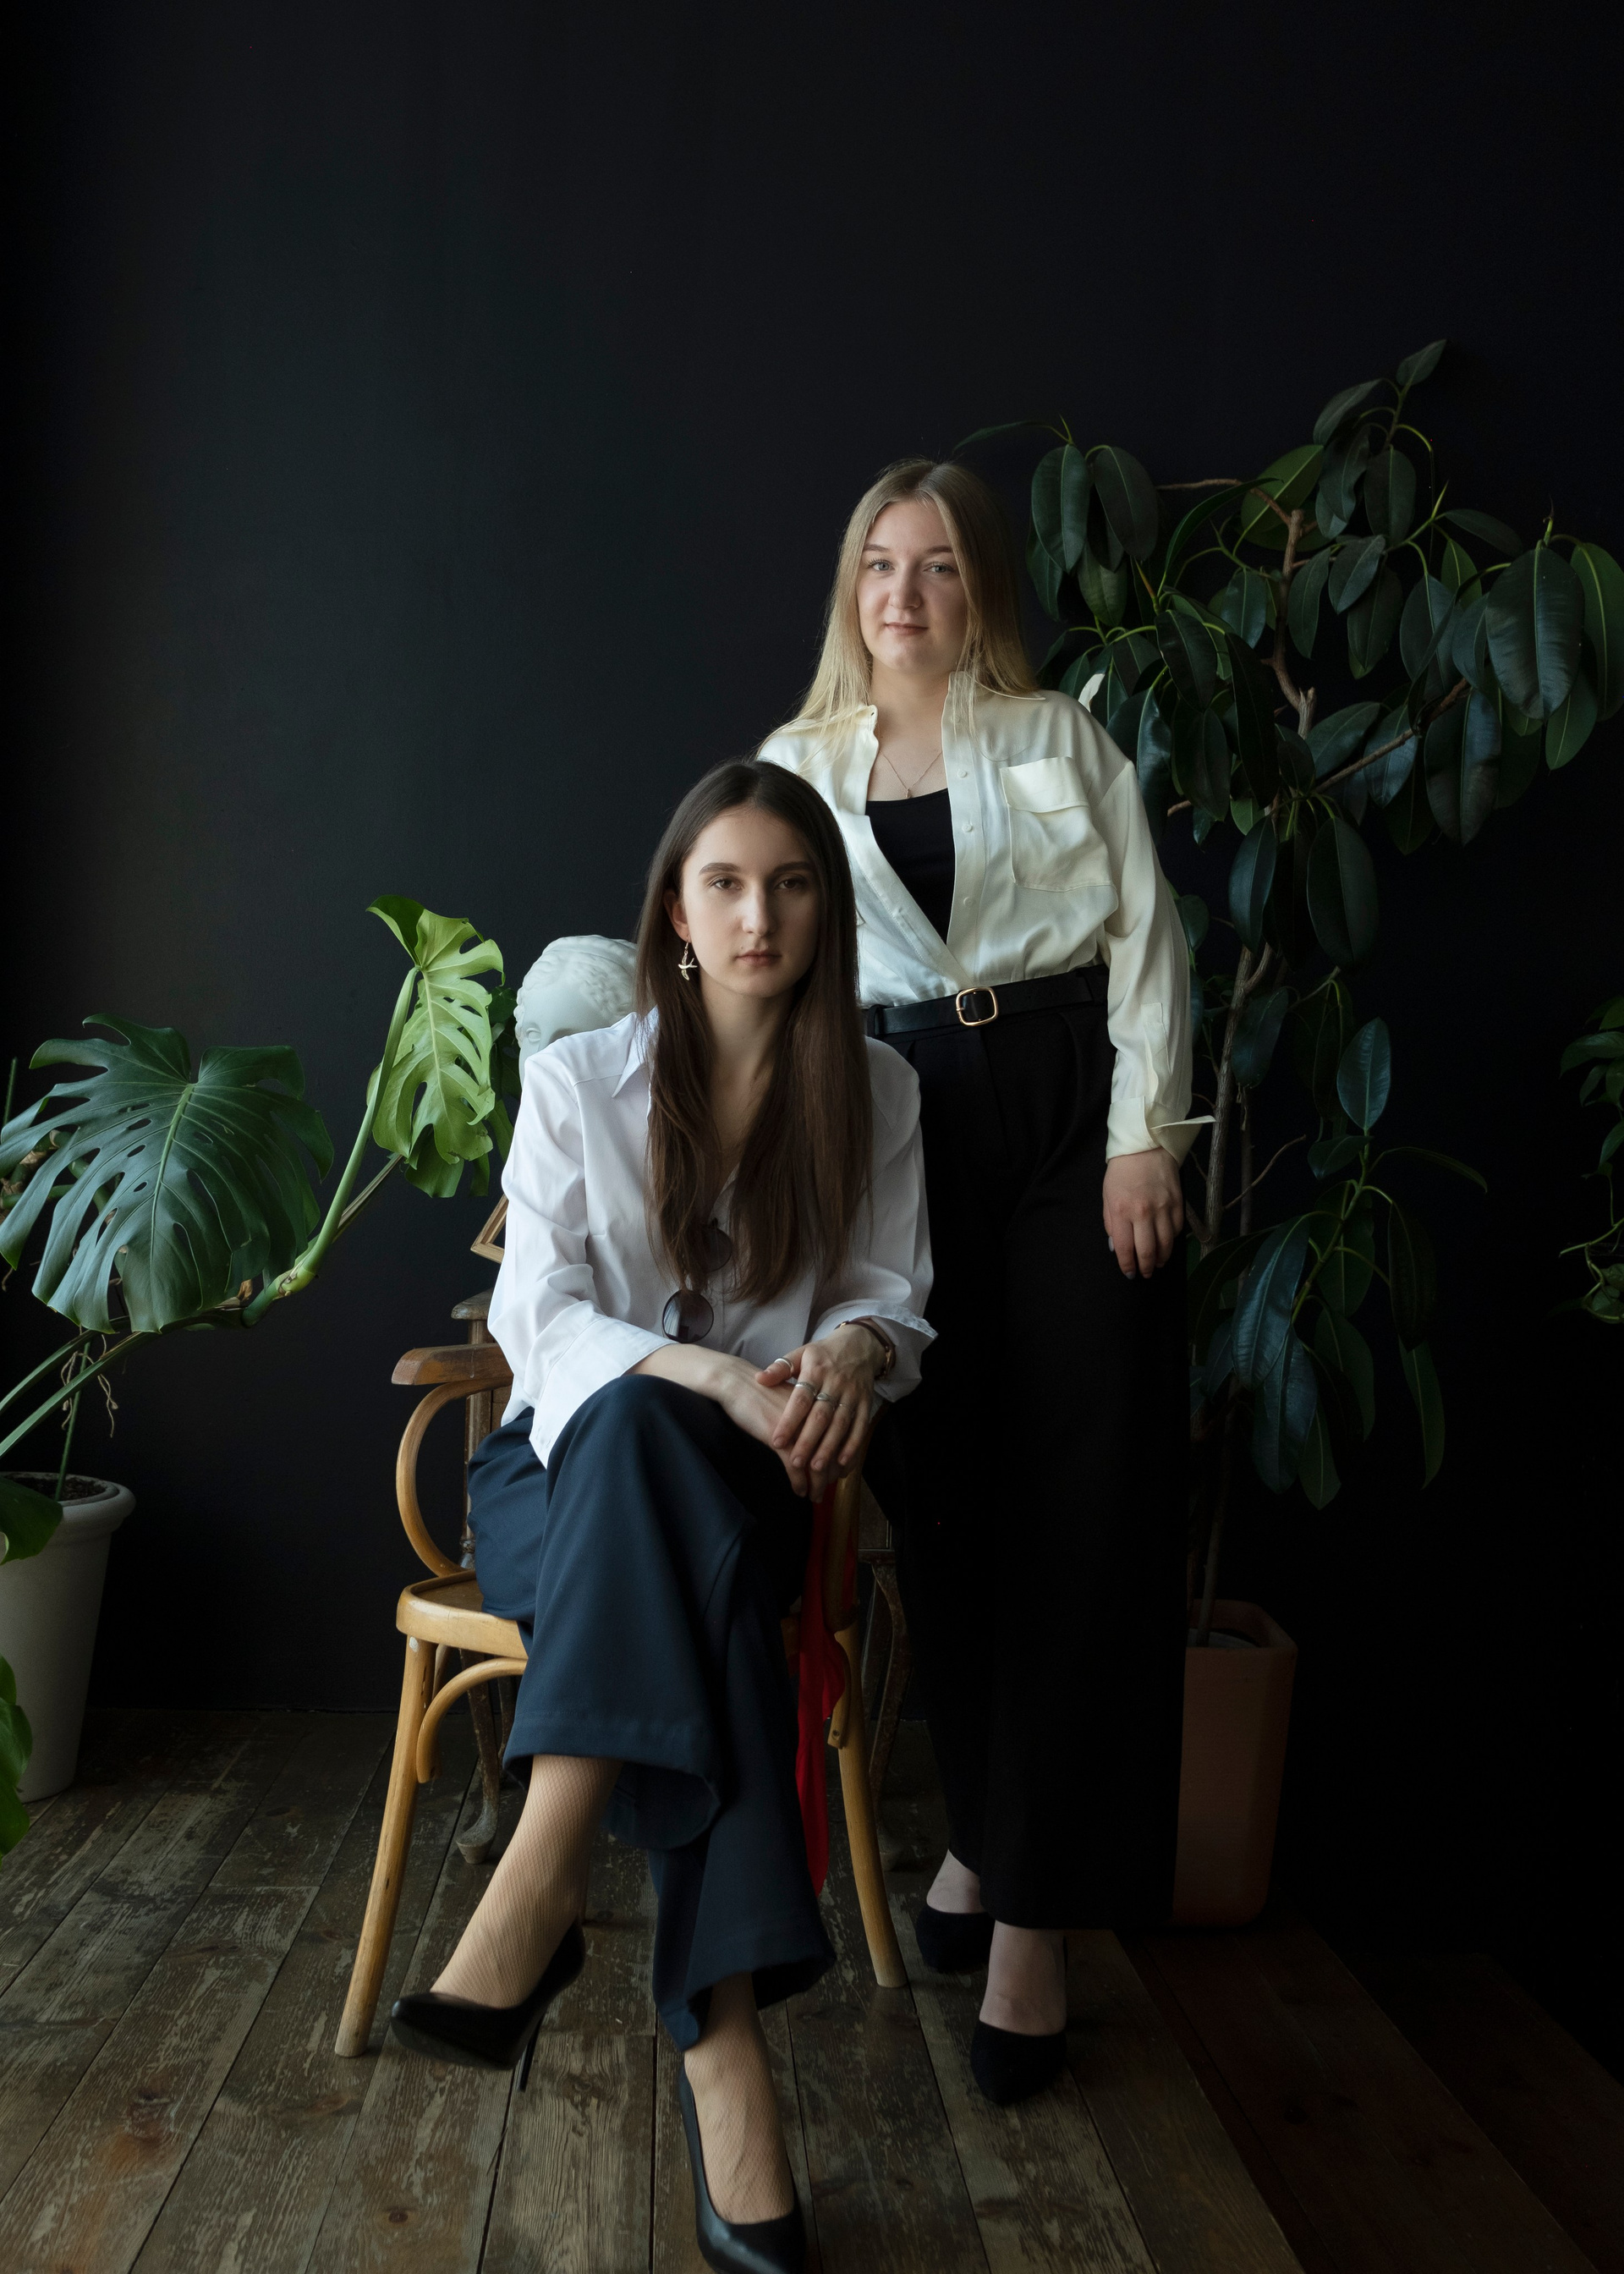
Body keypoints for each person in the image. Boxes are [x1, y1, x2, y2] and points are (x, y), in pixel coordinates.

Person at [389, 760, 932, 2274]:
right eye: (727, 885)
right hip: (558, 1480)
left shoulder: (879, 1092)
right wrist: (709, 1375)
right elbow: (540, 1317)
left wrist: (852, 1351)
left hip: (763, 1488)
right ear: (677, 916)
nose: (761, 916)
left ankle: (545, 1866)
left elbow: (893, 1297)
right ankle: (725, 2057)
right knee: (646, 1445)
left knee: (679, 1495)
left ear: (825, 912)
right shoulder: (580, 1082)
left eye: (793, 885)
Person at [759, 459, 1200, 2106]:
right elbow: (751, 967)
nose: (906, 593)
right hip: (896, 1122)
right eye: (881, 563)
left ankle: (1031, 1917)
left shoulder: (1059, 736)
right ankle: (988, 1837)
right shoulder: (795, 766)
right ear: (851, 587)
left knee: (1080, 1500)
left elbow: (1149, 938)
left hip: (1074, 1114)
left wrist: (1146, 1138)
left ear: (980, 590)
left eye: (939, 565)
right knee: (943, 1501)